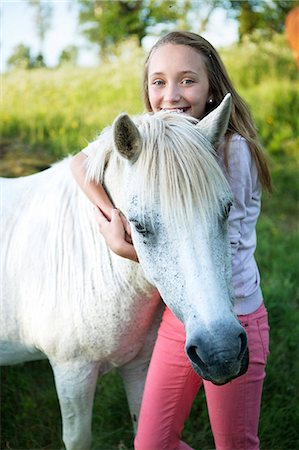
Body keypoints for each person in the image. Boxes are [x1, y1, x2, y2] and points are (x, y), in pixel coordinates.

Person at [71, 31, 271, 450]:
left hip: (232, 314)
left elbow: (213, 251)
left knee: (235, 444)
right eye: (159, 82)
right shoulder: (157, 141)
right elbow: (81, 162)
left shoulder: (230, 150)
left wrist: (124, 247)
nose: (172, 95)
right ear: (146, 90)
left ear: (213, 87)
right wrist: (113, 215)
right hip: (181, 317)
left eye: (187, 80)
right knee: (151, 444)